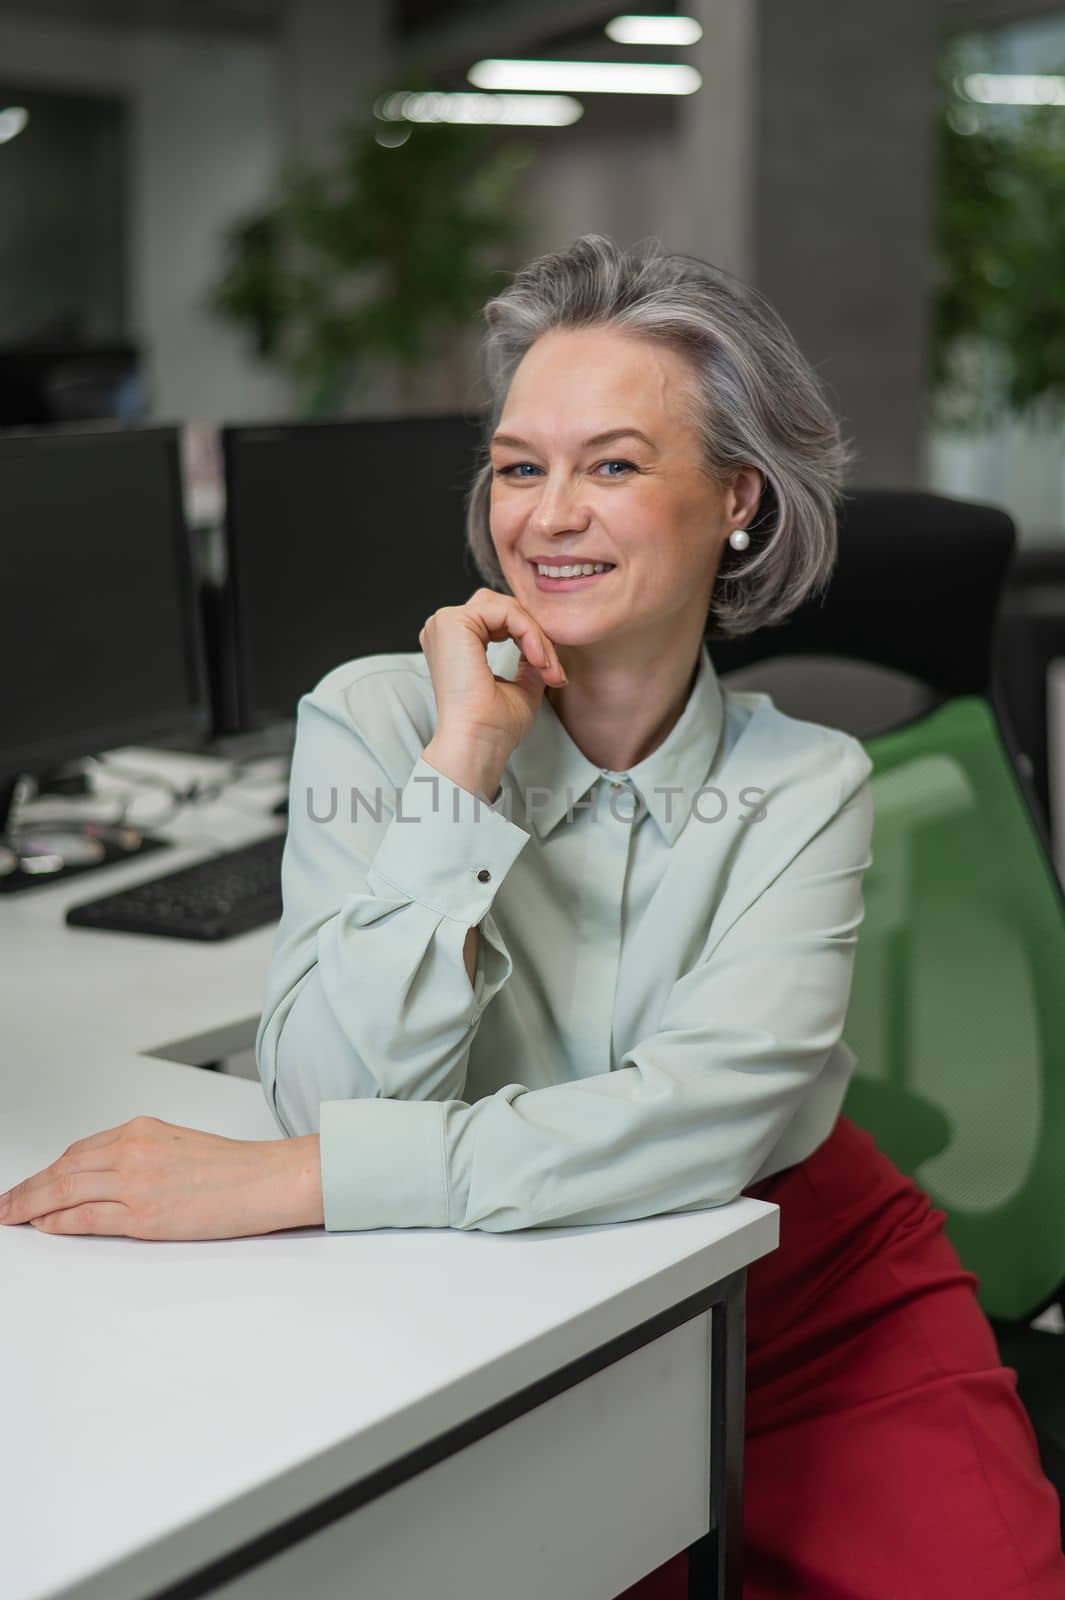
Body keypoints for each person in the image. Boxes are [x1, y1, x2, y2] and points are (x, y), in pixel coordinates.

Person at [2, 232, 1063, 1597]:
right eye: (518, 465)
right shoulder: (377, 720)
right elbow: (334, 1092)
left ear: (735, 496)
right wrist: (463, 766)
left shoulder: (805, 781)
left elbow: (710, 1119)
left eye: (612, 464)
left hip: (795, 1272)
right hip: (519, 1297)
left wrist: (310, 1179)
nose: (546, 515)